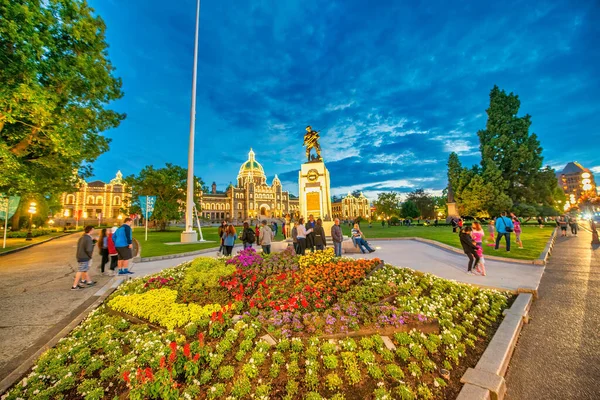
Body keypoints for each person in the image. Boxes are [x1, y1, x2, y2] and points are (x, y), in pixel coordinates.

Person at [72, 226, 96, 290]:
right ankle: (74, 286)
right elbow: (88, 249)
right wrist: (90, 256)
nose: (94, 231)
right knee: (80, 270)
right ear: (90, 230)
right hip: (84, 256)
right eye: (93, 230)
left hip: (80, 255)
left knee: (85, 269)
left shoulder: (82, 237)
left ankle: (89, 281)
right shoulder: (88, 239)